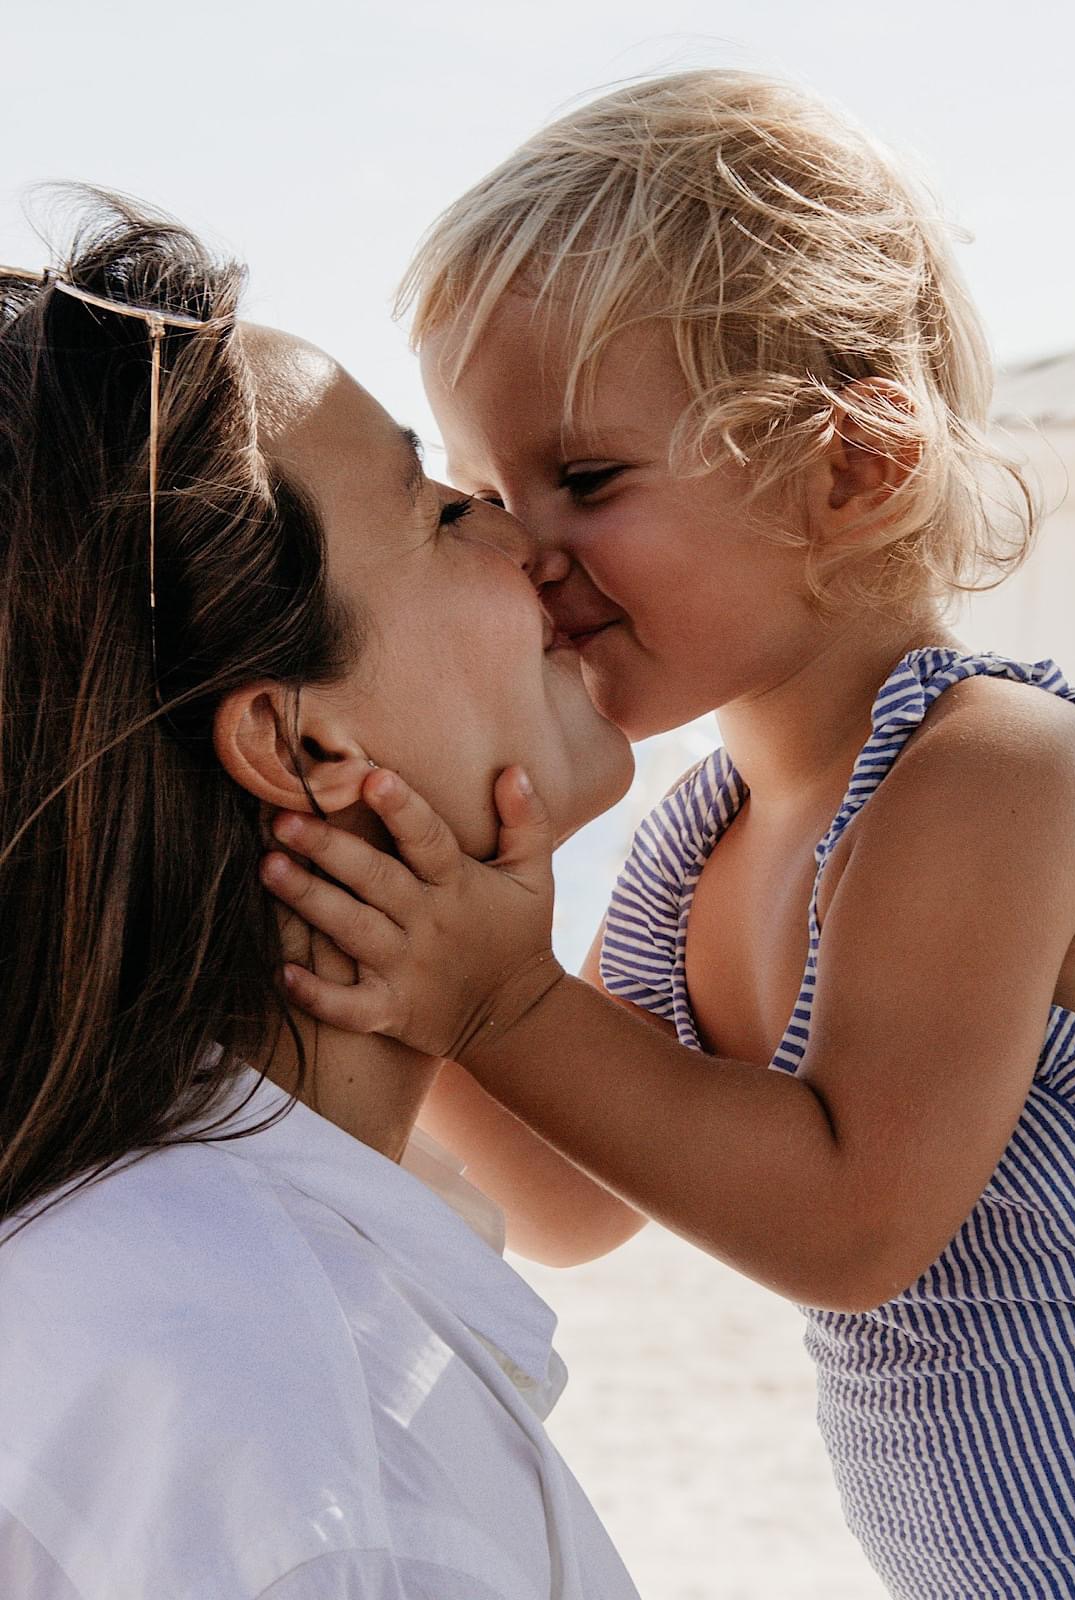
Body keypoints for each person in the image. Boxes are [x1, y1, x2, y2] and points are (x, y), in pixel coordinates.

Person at [265, 72, 1075, 1600]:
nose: (528, 549)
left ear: (854, 470)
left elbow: (854, 1225)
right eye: (487, 493)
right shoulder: (698, 841)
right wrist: (414, 956)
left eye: (586, 479)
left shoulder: (995, 778)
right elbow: (576, 1202)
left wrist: (499, 997)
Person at [0, 195, 639, 1600]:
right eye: (435, 504)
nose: (528, 537)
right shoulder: (314, 1454)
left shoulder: (126, 1278)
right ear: (300, 747)